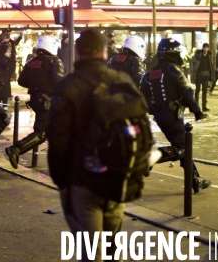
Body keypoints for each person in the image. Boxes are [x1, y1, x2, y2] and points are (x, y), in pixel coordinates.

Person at [46, 29, 152, 260]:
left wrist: (61, 180)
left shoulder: (67, 86)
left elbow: (58, 138)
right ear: (104, 52)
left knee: (91, 251)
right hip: (116, 178)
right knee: (112, 248)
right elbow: (142, 128)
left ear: (76, 53)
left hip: (81, 179)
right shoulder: (122, 81)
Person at [140, 38, 211, 193]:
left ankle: (195, 181)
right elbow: (187, 92)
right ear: (171, 53)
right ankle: (151, 158)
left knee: (182, 145)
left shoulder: (149, 74)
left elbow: (142, 96)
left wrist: (154, 109)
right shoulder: (173, 69)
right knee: (183, 148)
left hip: (160, 116)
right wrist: (197, 111)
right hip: (173, 115)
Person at [5, 36, 64, 169]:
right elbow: (59, 81)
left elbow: (21, 81)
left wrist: (36, 84)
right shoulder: (54, 61)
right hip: (48, 101)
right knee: (42, 133)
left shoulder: (31, 62)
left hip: (36, 100)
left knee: (48, 130)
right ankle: (16, 149)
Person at [190, 43, 214, 112]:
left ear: (208, 48)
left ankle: (204, 106)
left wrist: (211, 73)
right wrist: (193, 70)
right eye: (204, 48)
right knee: (197, 90)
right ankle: (196, 106)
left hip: (206, 74)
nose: (205, 49)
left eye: (207, 48)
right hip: (198, 74)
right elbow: (191, 61)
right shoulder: (198, 54)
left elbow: (211, 64)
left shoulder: (210, 55)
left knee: (205, 91)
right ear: (202, 48)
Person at [0, 41, 13, 105]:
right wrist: (12, 60)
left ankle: (4, 111)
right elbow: (6, 65)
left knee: (5, 97)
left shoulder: (5, 56)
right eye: (8, 49)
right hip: (1, 80)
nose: (9, 50)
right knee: (0, 97)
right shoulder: (0, 57)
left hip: (5, 79)